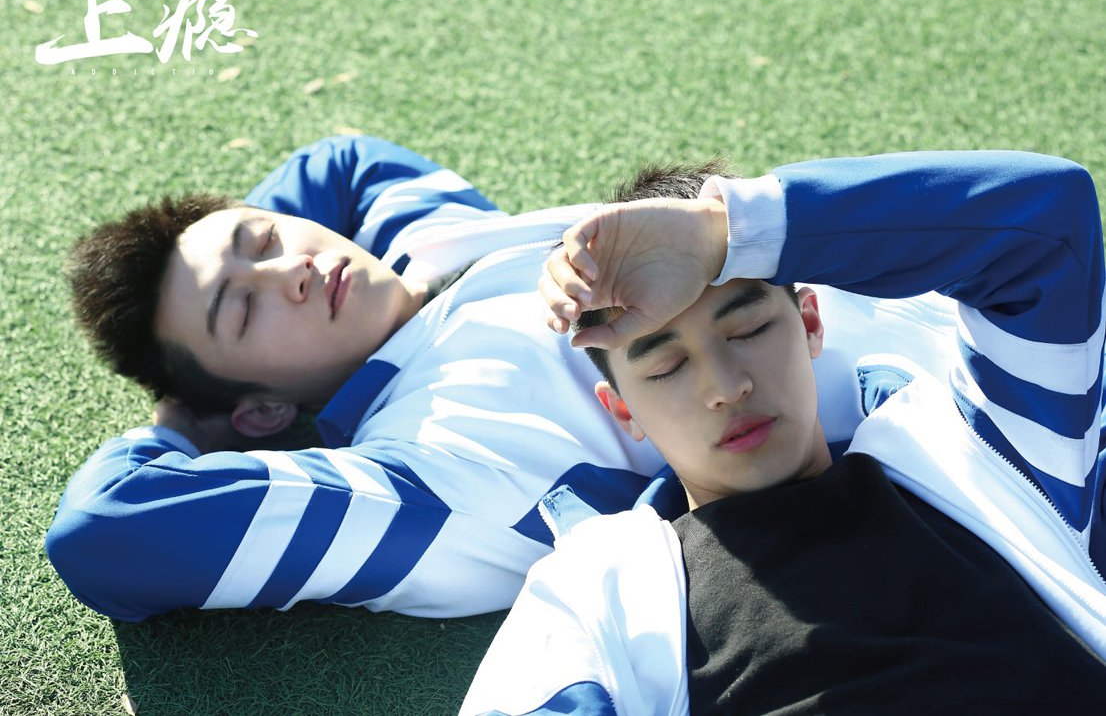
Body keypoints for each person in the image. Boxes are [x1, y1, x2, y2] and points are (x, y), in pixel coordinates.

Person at [45, 136, 978, 622]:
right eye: (243, 311)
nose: (289, 270)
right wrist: (188, 418)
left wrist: (216, 273)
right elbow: (108, 528)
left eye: (263, 239)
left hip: (975, 296)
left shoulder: (435, 244)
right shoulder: (415, 478)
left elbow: (337, 162)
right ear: (260, 407)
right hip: (975, 455)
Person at [462, 151, 1106, 714]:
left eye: (748, 330)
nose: (725, 386)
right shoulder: (595, 591)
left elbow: (1048, 225)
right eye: (667, 367)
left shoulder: (983, 451)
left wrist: (727, 235)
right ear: (622, 411)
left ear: (811, 323)